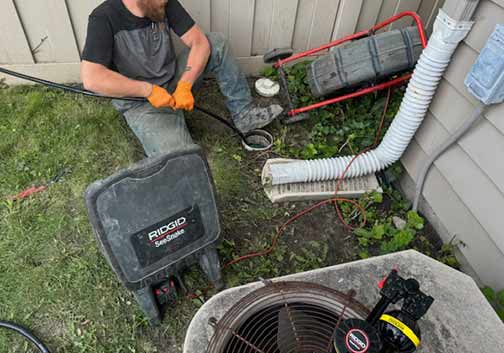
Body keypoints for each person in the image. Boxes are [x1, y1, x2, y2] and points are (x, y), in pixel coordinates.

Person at [81, 0, 283, 157]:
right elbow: (92, 78)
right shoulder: (103, 18)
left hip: (173, 81)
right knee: (183, 160)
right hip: (141, 104)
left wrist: (185, 84)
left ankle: (244, 114)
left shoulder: (162, 3)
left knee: (216, 43)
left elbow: (199, 42)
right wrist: (148, 90)